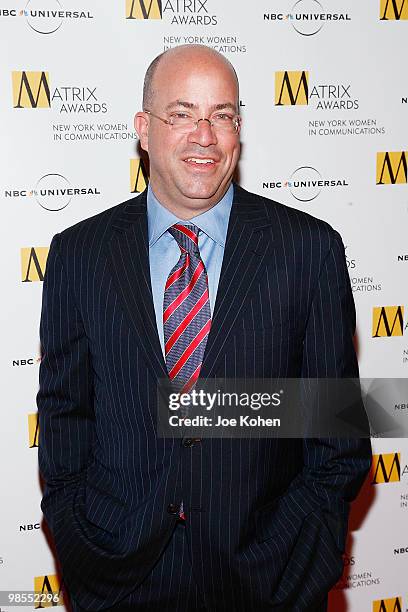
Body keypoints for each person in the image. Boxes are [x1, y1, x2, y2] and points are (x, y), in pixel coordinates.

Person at [37, 44, 372, 612]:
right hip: (120, 578)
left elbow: (336, 435)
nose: (205, 135)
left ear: (239, 129)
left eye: (223, 115)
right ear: (144, 129)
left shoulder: (308, 249)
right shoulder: (79, 254)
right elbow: (66, 417)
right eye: (183, 113)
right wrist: (79, 540)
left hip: (267, 581)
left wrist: (296, 563)